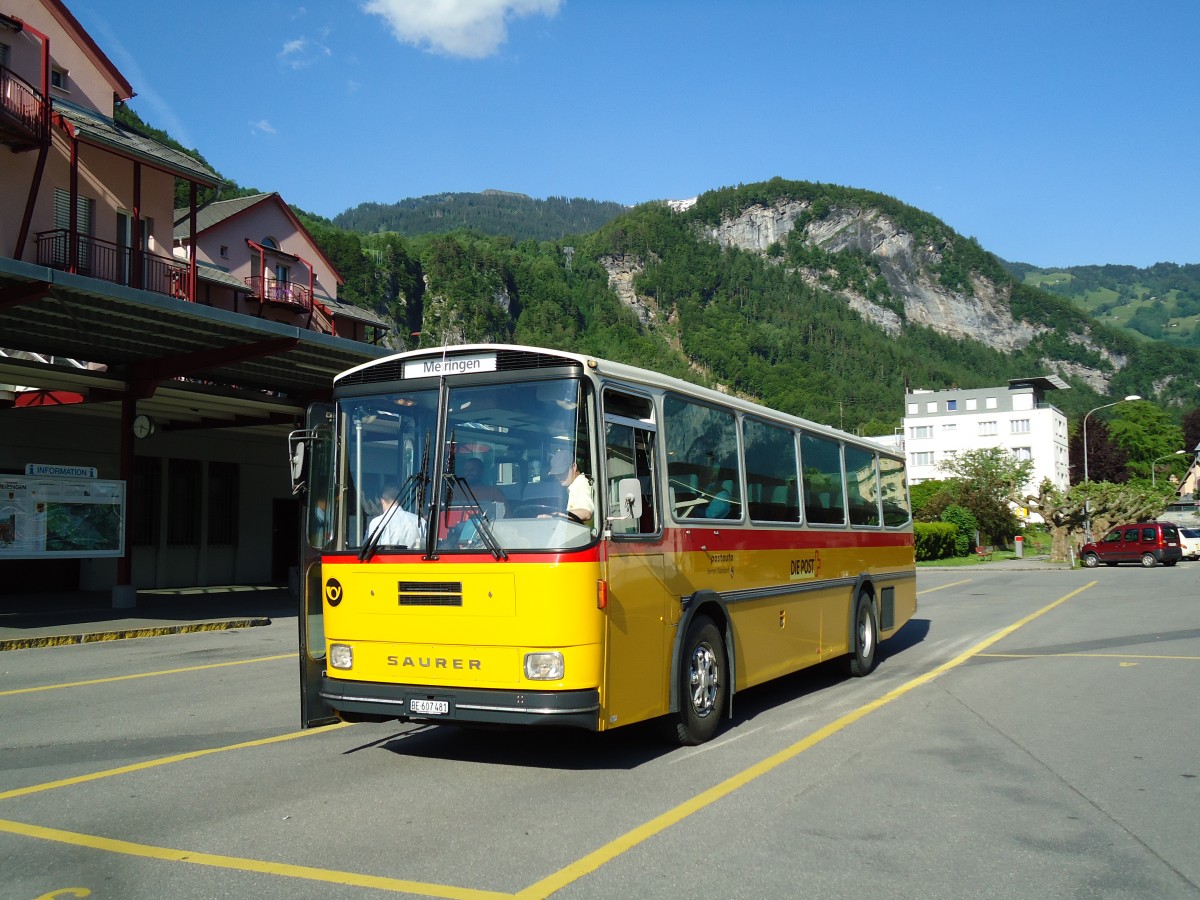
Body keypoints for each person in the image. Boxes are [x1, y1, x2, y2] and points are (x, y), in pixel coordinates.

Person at [366, 483, 424, 547]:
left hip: (386, 557)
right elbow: (424, 548)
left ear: (382, 501)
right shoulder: (419, 521)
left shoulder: (377, 522)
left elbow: (372, 551)